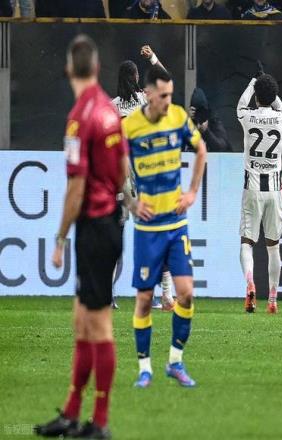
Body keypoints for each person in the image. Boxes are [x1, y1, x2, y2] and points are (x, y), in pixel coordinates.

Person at [34, 34, 127, 439]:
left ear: (70, 69)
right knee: (81, 319)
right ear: (98, 69)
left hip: (94, 226)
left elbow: (75, 187)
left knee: (98, 325)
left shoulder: (78, 117)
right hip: (110, 222)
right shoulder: (109, 110)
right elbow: (122, 170)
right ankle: (73, 413)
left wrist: (59, 238)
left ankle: (99, 422)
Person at [122, 65, 207, 388]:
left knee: (186, 294)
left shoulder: (178, 117)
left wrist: (192, 192)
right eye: (164, 95)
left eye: (171, 95)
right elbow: (116, 165)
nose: (169, 101)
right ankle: (145, 369)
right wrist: (131, 202)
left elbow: (201, 149)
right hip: (147, 229)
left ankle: (175, 361)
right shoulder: (130, 126)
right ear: (148, 94)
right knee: (144, 299)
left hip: (176, 224)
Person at [111, 46, 175, 311]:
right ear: (137, 77)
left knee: (114, 237)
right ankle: (165, 295)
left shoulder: (112, 106)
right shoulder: (143, 99)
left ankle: (107, 295)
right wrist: (153, 58)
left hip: (119, 175)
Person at [237, 63, 282, 314]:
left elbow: (241, 104)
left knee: (247, 241)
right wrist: (266, 84)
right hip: (274, 189)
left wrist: (253, 81)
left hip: (253, 187)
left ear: (256, 96)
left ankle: (250, 282)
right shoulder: (281, 117)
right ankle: (273, 300)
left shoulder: (247, 116)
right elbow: (278, 103)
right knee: (273, 246)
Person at [189, 87, 232, 152]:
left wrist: (206, 131)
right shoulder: (188, 124)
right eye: (196, 111)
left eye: (201, 111)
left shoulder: (213, 121)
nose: (199, 114)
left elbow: (222, 147)